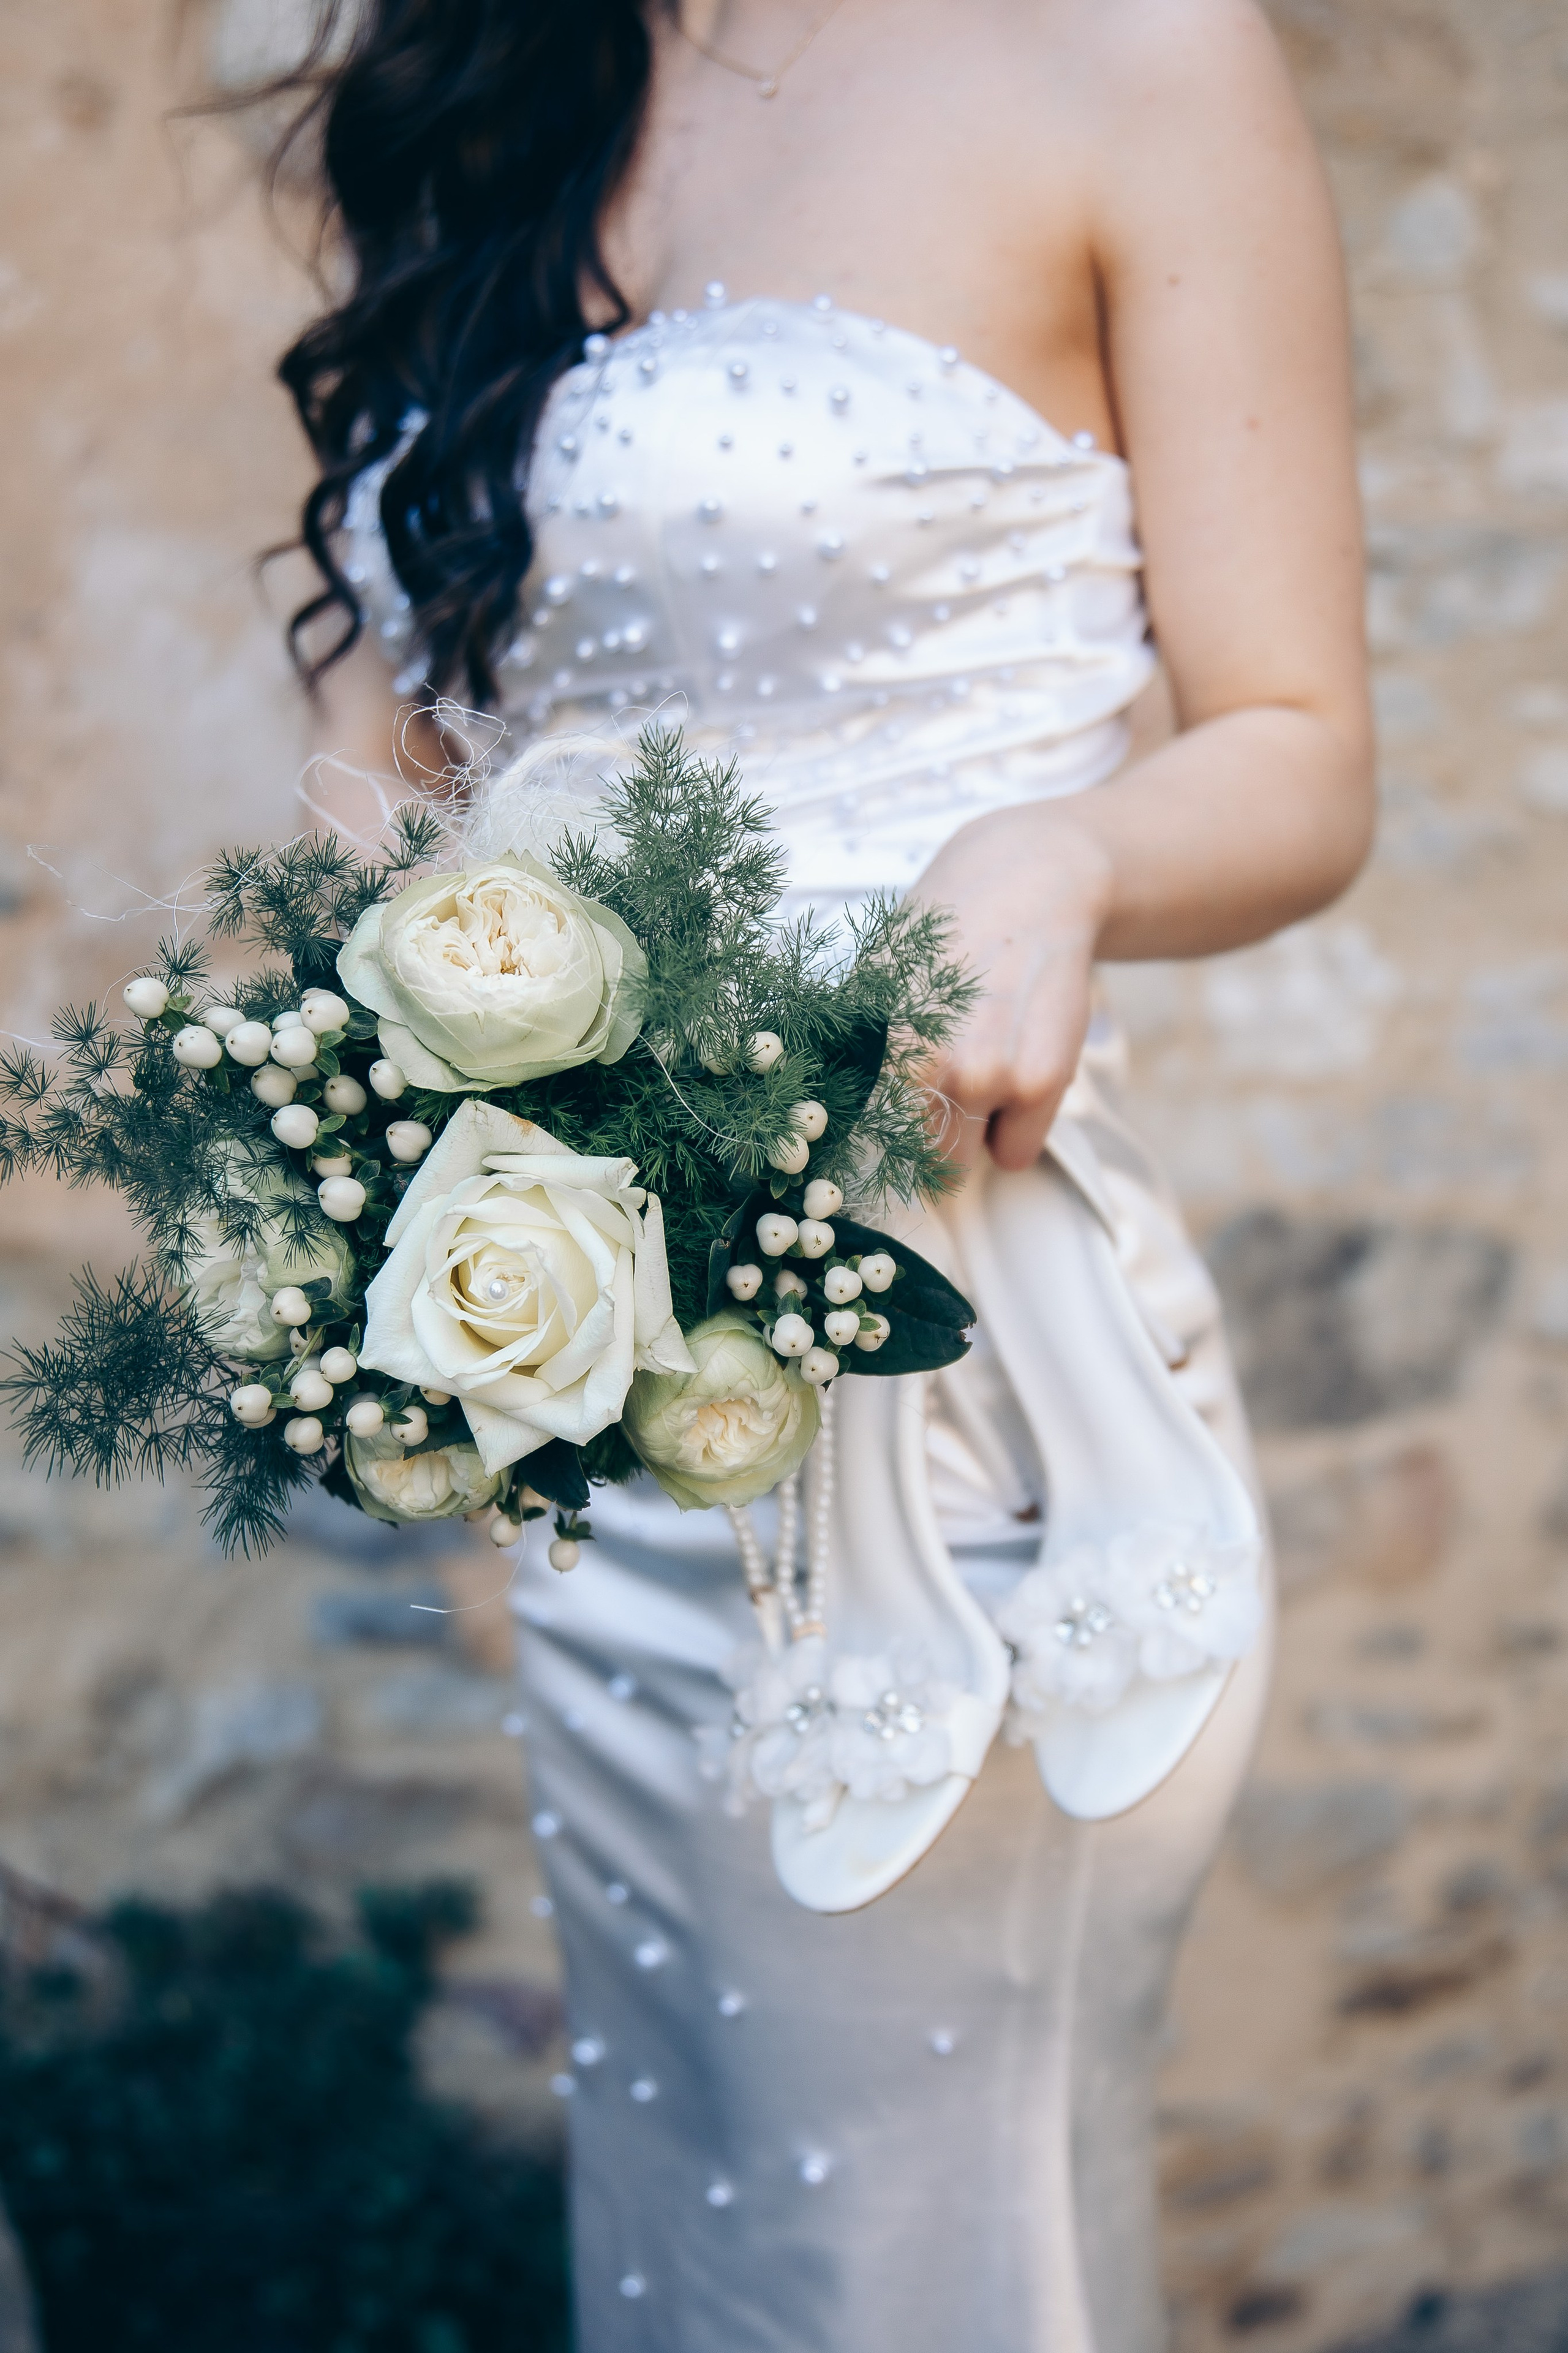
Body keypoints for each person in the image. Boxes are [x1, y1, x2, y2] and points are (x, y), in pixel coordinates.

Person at [274, 2, 1373, 2344]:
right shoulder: (503, 78)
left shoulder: (1132, 56)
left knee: (919, 2256)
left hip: (971, 1400)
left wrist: (1056, 854)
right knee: (703, 2234)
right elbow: (404, 737)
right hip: (620, 1395)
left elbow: (1298, 750)